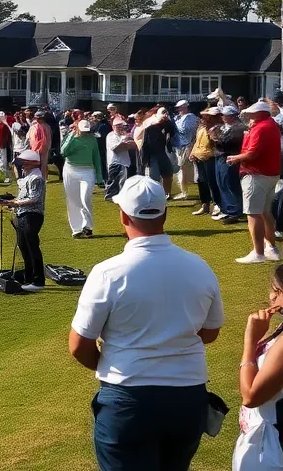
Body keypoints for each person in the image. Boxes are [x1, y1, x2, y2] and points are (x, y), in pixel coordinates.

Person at [69, 176, 223, 471]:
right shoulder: (199, 266)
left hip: (127, 398)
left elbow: (79, 346)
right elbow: (210, 331)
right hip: (187, 397)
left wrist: (116, 359)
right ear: (164, 213)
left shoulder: (107, 273)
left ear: (124, 215)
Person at [234, 264, 283, 471]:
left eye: (278, 291)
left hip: (271, 445)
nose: (271, 296)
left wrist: (250, 342)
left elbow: (251, 396)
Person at [228, 101, 283, 264]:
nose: (248, 115)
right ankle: (270, 248)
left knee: (253, 213)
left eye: (251, 113)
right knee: (265, 212)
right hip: (269, 174)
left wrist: (235, 158)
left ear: (259, 114)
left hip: (256, 174)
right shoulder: (271, 125)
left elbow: (252, 154)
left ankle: (258, 252)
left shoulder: (261, 127)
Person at [4, 148, 46, 291]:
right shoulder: (28, 177)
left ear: (32, 164)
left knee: (32, 246)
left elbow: (34, 198)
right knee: (23, 245)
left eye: (24, 164)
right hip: (22, 215)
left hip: (32, 216)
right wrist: (12, 205)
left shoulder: (36, 178)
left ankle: (38, 281)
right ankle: (28, 278)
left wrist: (14, 203)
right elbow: (23, 197)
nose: (22, 166)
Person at [61, 118, 103, 239]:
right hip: (70, 170)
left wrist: (99, 176)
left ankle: (88, 227)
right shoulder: (71, 137)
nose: (85, 132)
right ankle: (76, 229)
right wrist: (71, 137)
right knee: (73, 200)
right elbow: (63, 152)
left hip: (87, 171)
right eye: (83, 130)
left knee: (85, 198)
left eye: (87, 130)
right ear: (77, 128)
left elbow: (96, 157)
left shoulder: (92, 139)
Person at [215, 105, 250, 226]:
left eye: (225, 115)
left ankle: (235, 211)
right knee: (222, 183)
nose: (223, 117)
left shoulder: (239, 128)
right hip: (221, 157)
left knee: (230, 184)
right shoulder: (225, 127)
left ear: (232, 116)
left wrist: (216, 138)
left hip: (230, 157)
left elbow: (226, 143)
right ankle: (227, 209)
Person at [104, 117, 134, 201]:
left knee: (123, 181)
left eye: (122, 126)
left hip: (125, 161)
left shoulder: (125, 135)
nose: (121, 128)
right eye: (118, 126)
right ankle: (110, 196)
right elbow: (116, 149)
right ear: (113, 127)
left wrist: (125, 144)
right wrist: (124, 143)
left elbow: (132, 146)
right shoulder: (111, 135)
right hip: (115, 162)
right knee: (114, 181)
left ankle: (120, 196)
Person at [173, 100, 198, 200]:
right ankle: (184, 191)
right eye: (178, 108)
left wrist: (174, 125)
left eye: (180, 107)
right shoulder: (180, 118)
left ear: (185, 107)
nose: (179, 110)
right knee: (182, 169)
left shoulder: (190, 117)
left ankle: (184, 192)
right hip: (179, 146)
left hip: (186, 146)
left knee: (183, 169)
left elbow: (185, 130)